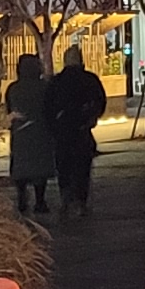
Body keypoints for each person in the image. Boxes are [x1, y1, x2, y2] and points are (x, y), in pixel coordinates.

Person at [51, 40, 109, 218]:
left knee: (64, 167)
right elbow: (100, 101)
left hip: (62, 132)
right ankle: (81, 202)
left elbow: (48, 108)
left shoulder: (56, 82)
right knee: (82, 167)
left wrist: (54, 126)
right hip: (83, 130)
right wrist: (92, 118)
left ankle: (66, 199)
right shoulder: (90, 80)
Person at [4, 51, 59, 217]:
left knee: (21, 165)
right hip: (41, 131)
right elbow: (51, 108)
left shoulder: (13, 89)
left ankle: (22, 198)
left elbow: (9, 110)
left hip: (21, 132)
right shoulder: (45, 87)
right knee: (40, 166)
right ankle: (40, 201)